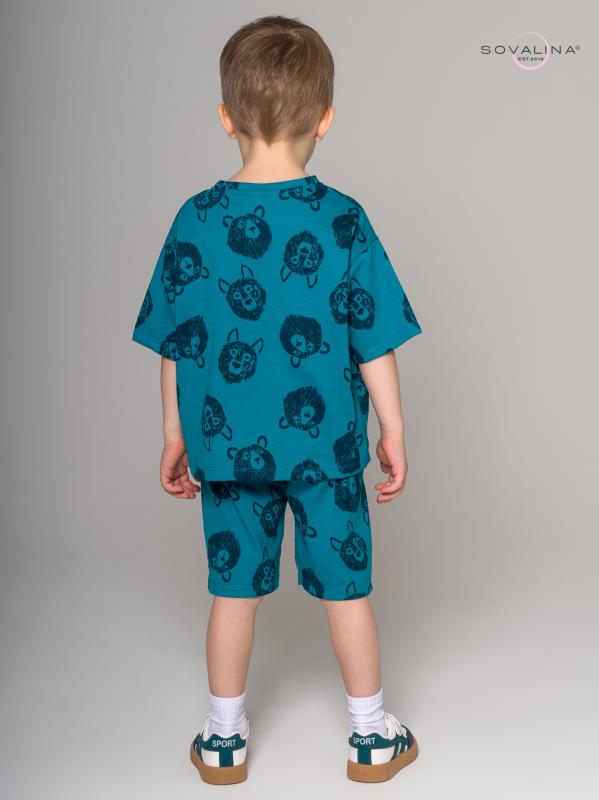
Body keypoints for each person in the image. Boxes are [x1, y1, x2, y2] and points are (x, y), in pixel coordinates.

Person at [132, 14, 422, 785]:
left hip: (225, 449)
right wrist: (393, 428)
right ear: (324, 120)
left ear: (225, 117)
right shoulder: (343, 220)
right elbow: (374, 341)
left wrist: (174, 433)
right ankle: (371, 737)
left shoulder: (193, 220)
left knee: (232, 594)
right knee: (346, 594)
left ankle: (222, 741)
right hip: (327, 451)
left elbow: (176, 345)